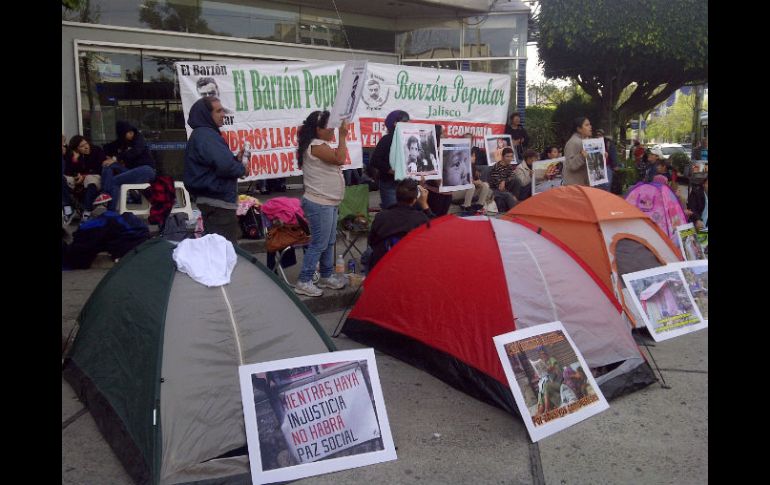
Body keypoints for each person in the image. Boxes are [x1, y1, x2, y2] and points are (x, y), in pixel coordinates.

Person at [293, 111, 349, 297]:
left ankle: (326, 275)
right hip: (319, 203)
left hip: (328, 202)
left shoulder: (319, 144)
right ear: (318, 130)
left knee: (329, 242)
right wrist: (342, 136)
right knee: (319, 243)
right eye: (329, 127)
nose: (333, 129)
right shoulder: (316, 145)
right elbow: (340, 158)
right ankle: (304, 280)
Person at [183, 97, 247, 244]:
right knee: (225, 252)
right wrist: (242, 169)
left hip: (214, 202)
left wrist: (235, 160)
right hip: (218, 203)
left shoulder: (204, 135)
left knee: (218, 250)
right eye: (218, 111)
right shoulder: (206, 135)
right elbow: (225, 166)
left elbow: (216, 164)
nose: (223, 114)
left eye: (223, 110)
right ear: (206, 114)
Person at [368, 178, 435, 271]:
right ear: (415, 200)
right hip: (410, 265)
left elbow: (371, 241)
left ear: (396, 196)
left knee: (368, 254)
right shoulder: (421, 218)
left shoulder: (381, 217)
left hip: (383, 265)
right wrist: (424, 204)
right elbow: (435, 233)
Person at [100, 121, 157, 211]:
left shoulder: (138, 139)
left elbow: (135, 152)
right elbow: (106, 148)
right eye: (128, 132)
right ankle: (109, 209)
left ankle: (106, 194)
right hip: (130, 171)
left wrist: (116, 158)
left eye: (132, 131)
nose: (131, 133)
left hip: (146, 170)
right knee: (108, 166)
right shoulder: (121, 142)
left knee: (114, 180)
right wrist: (107, 158)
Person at [64, 135, 110, 222]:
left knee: (90, 179)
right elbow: (68, 172)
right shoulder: (75, 155)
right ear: (76, 149)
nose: (86, 146)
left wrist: (84, 176)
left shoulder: (96, 150)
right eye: (81, 146)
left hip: (93, 177)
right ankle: (68, 208)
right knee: (64, 179)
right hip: (78, 179)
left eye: (86, 143)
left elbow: (100, 168)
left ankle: (87, 213)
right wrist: (75, 159)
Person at [371, 110, 410, 209]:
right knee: (392, 213)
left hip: (406, 183)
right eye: (404, 121)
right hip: (389, 184)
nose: (407, 123)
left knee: (404, 213)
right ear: (395, 123)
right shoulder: (387, 139)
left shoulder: (409, 139)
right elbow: (375, 160)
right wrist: (391, 170)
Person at [563, 116, 593, 186]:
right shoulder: (573, 142)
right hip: (575, 187)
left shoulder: (587, 141)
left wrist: (601, 156)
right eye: (587, 125)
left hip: (584, 185)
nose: (590, 127)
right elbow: (570, 165)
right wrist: (582, 156)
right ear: (579, 129)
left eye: (590, 124)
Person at [461, 146, 492, 211]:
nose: (475, 158)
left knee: (486, 185)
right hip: (460, 189)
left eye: (475, 156)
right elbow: (464, 181)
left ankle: (479, 205)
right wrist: (475, 182)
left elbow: (476, 179)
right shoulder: (462, 166)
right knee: (471, 186)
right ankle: (466, 206)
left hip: (471, 188)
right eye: (473, 156)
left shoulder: (473, 166)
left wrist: (480, 182)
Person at [488, 147, 519, 212]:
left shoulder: (509, 166)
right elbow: (500, 187)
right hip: (495, 190)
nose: (510, 159)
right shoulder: (496, 168)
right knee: (508, 195)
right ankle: (515, 213)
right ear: (502, 157)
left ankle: (515, 200)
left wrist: (504, 181)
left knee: (516, 180)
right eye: (507, 156)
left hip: (505, 187)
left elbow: (512, 176)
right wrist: (511, 194)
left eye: (511, 156)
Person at [594, 128, 618, 192]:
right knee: (597, 185)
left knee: (606, 185)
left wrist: (615, 165)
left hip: (606, 166)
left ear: (603, 135)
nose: (598, 136)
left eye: (600, 134)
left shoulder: (608, 143)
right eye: (597, 134)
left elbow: (613, 153)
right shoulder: (593, 142)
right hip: (597, 167)